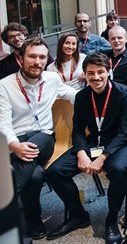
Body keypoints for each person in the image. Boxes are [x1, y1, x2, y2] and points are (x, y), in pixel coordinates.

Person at [46, 53, 127, 243]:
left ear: (108, 71)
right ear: (85, 75)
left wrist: (102, 157)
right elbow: (78, 130)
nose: (96, 77)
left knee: (119, 169)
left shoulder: (123, 94)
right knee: (55, 171)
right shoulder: (81, 96)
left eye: (100, 72)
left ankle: (111, 219)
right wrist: (81, 152)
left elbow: (125, 132)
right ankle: (78, 214)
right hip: (93, 142)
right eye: (91, 73)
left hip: (121, 143)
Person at [0, 38, 77, 240]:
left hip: (45, 139)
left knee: (38, 140)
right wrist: (15, 145)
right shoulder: (5, 86)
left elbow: (73, 95)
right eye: (32, 56)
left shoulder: (52, 79)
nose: (38, 61)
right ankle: (32, 220)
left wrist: (102, 97)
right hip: (17, 143)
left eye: (42, 57)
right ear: (21, 59)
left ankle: (7, 202)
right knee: (34, 177)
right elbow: (3, 124)